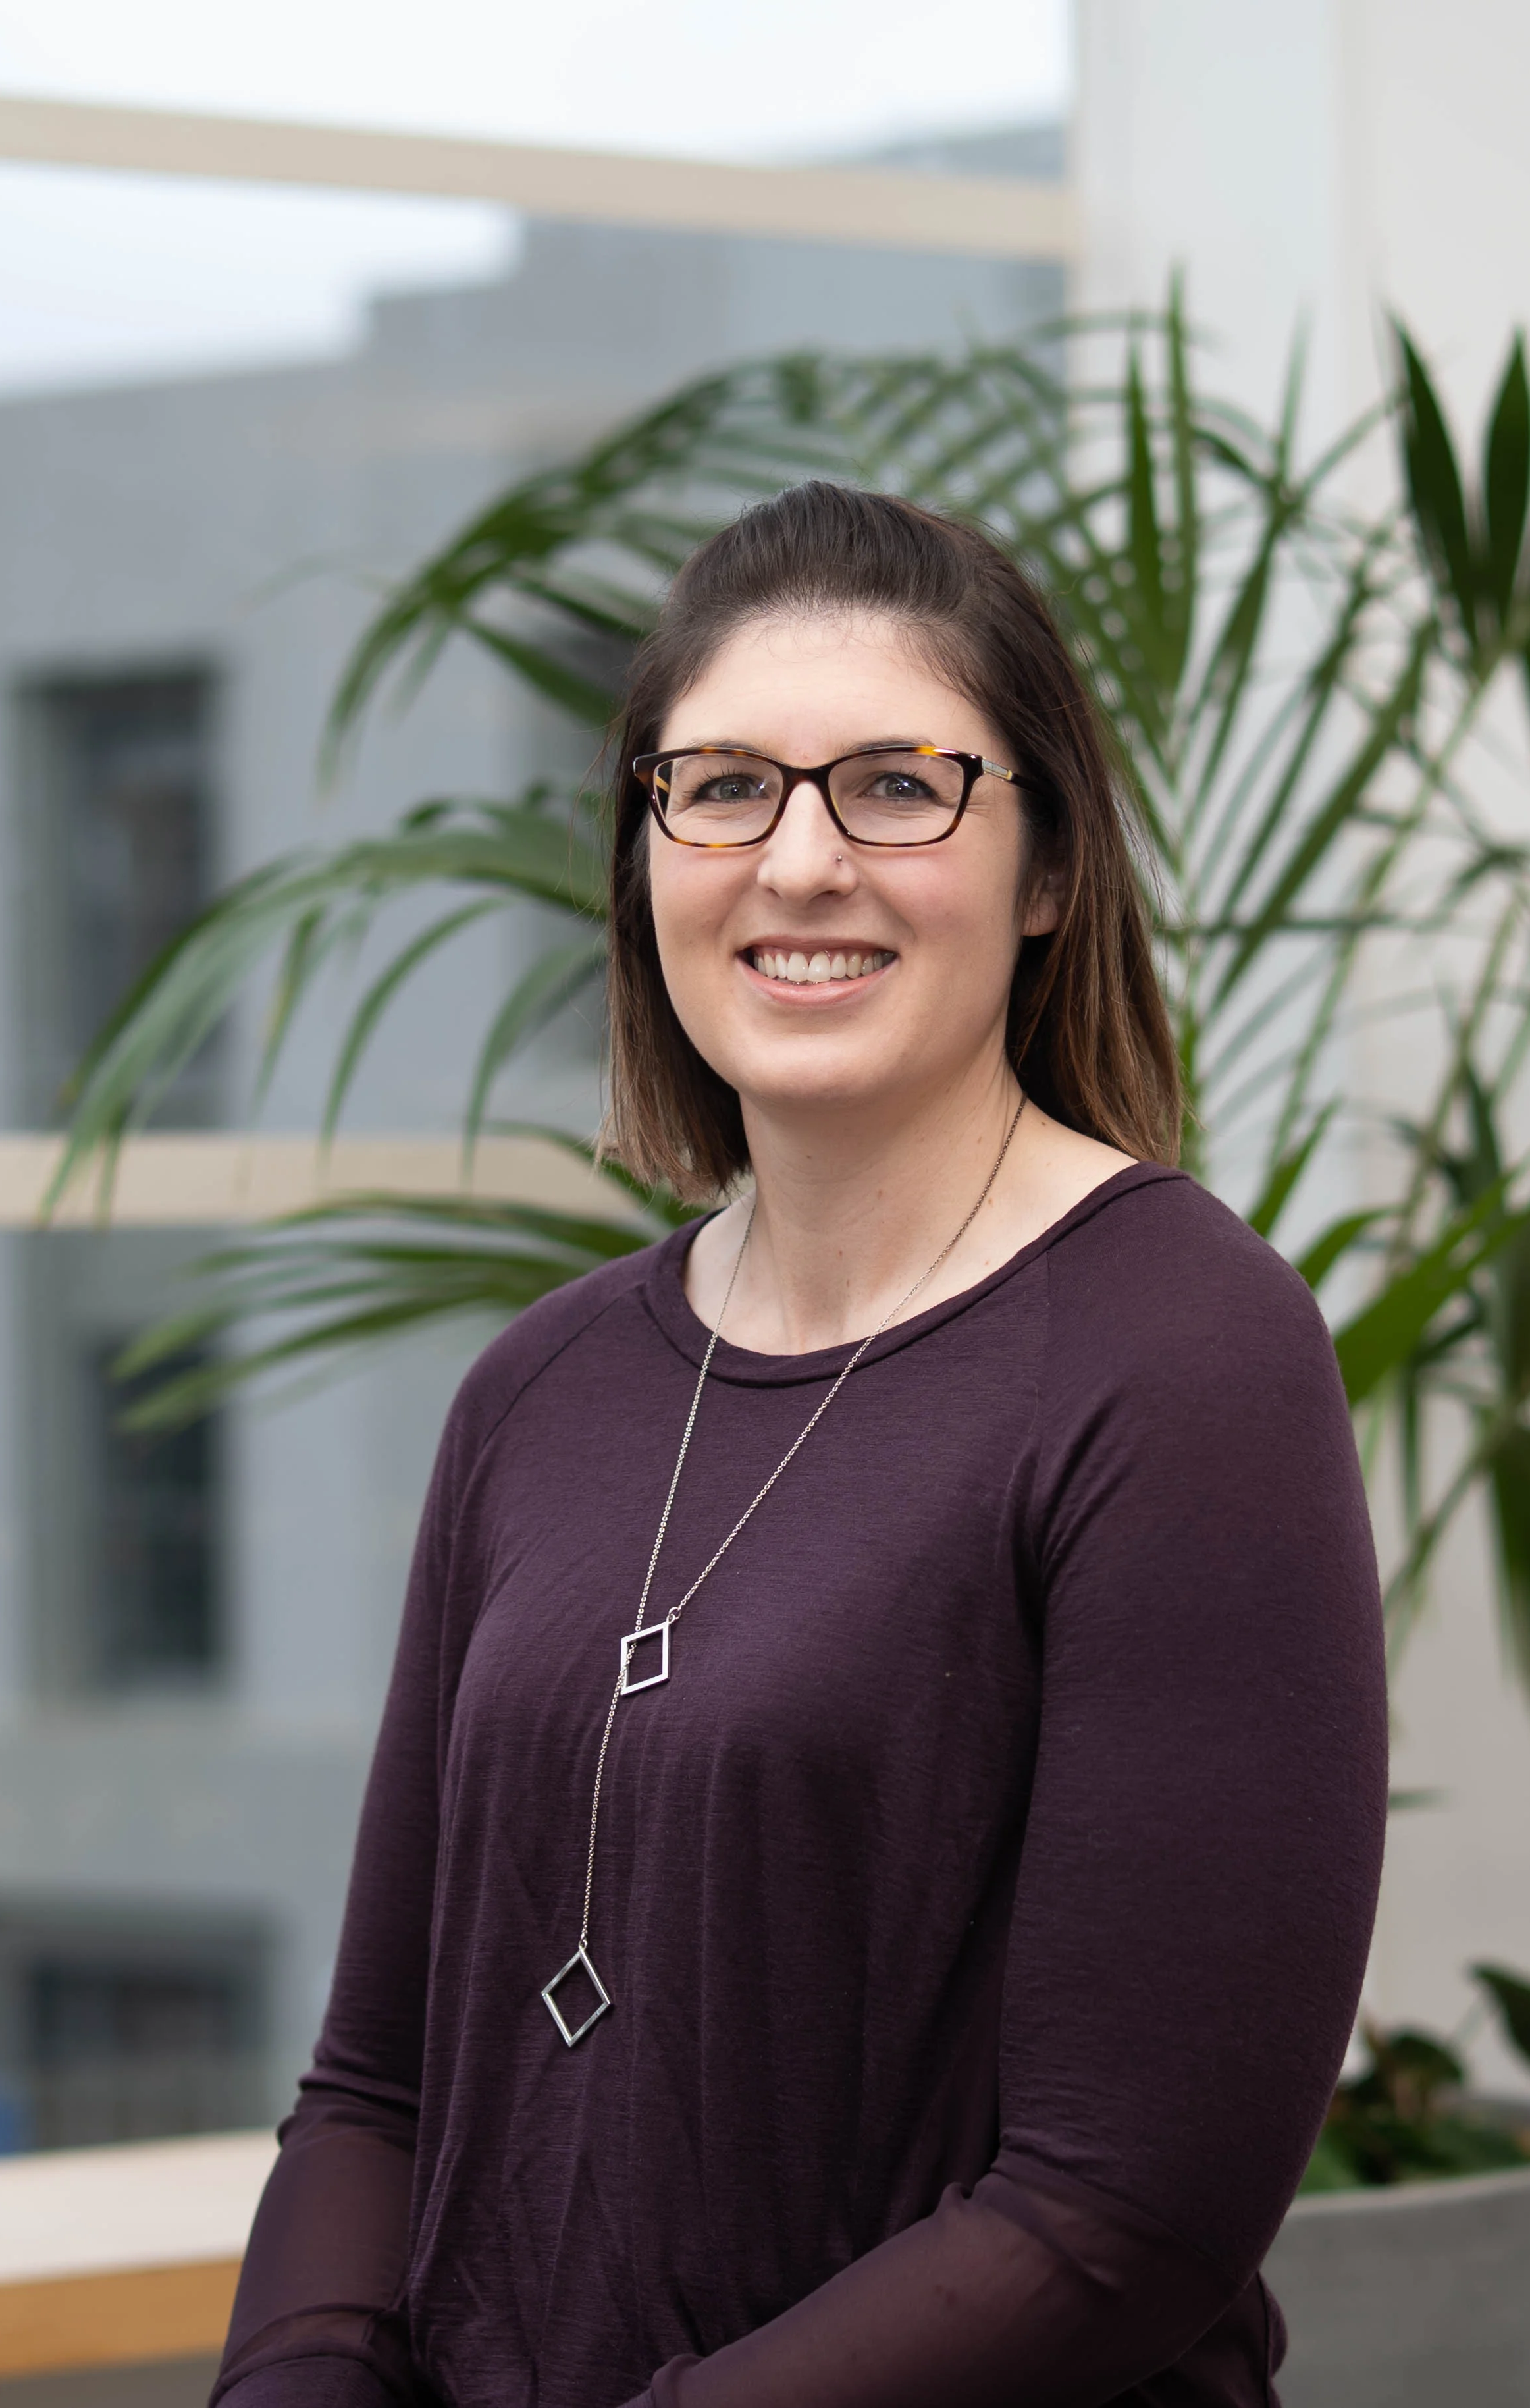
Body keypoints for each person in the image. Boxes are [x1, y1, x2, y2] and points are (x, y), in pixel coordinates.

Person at [211, 482, 1387, 2407]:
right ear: (646, 855)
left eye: (898, 786)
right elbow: (377, 2082)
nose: (800, 859)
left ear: (1046, 870)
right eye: (724, 787)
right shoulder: (541, 1385)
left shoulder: (1182, 1357)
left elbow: (1122, 2208)